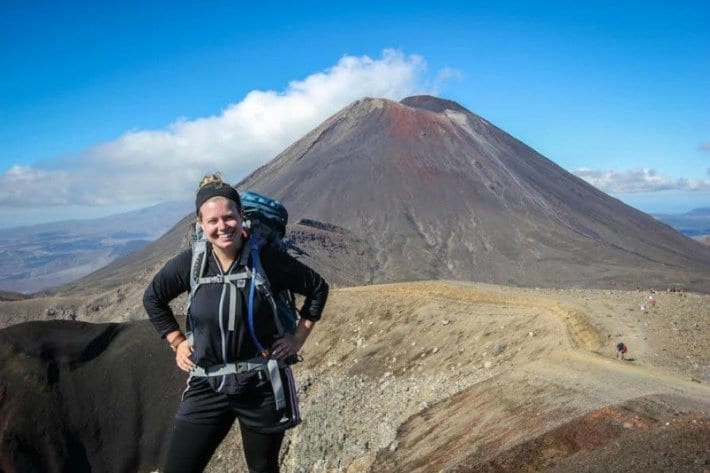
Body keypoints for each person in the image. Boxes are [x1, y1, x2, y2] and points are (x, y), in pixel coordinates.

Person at [144, 174, 329, 473]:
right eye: (213, 221)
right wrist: (177, 341)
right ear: (200, 225)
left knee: (262, 468)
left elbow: (317, 288)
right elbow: (153, 298)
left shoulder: (266, 258)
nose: (222, 227)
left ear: (241, 216)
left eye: (229, 217)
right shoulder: (191, 262)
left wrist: (298, 338)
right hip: (206, 382)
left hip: (260, 383)